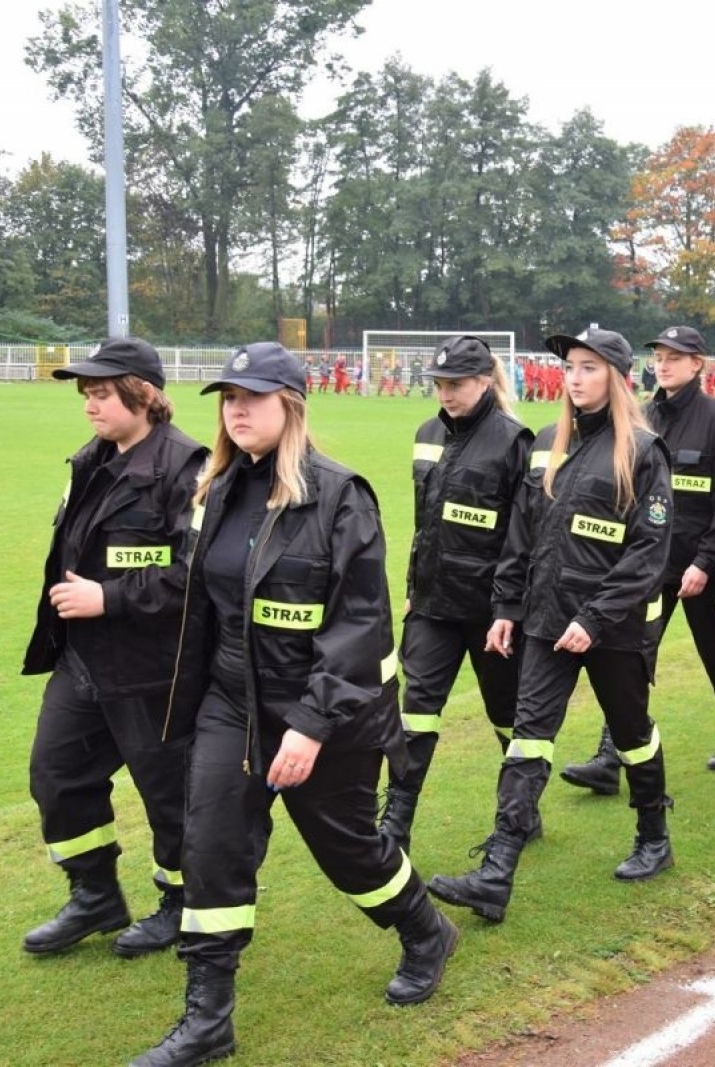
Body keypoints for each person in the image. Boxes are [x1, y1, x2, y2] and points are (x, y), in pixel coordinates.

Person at [131, 343, 457, 1067]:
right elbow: (196, 600)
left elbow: (360, 628)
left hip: (326, 714)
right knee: (210, 846)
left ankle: (425, 930)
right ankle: (207, 1018)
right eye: (228, 397)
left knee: (349, 850)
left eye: (253, 397)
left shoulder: (341, 497)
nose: (237, 410)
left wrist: (309, 726)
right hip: (232, 702)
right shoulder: (215, 490)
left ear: (291, 405)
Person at [429, 327, 675, 925]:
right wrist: (506, 608)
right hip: (545, 620)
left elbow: (649, 552)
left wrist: (595, 617)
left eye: (589, 367)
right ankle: (496, 874)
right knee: (529, 737)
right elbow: (521, 533)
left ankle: (654, 837)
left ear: (616, 377)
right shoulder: (547, 442)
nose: (575, 377)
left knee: (632, 734)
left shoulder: (644, 451)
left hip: (612, 628)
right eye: (570, 367)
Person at [21, 338, 207, 960]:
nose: (89, 406)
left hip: (154, 670)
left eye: (101, 393)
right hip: (83, 661)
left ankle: (181, 904)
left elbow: (197, 573)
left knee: (169, 796)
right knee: (57, 773)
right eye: (86, 395)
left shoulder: (189, 469)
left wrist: (110, 597)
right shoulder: (91, 461)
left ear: (143, 394)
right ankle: (94, 894)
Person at [557, 325, 715, 786]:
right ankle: (611, 758)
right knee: (632, 656)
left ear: (697, 364)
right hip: (649, 567)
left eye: (674, 357)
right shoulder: (641, 416)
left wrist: (705, 563)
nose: (663, 365)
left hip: (700, 562)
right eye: (659, 357)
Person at [378, 336, 534, 856]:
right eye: (440, 384)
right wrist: (412, 588)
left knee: (507, 713)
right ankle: (396, 823)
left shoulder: (514, 441)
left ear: (485, 382)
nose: (445, 393)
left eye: (456, 384)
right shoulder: (426, 434)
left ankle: (522, 811)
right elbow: (424, 524)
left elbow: (522, 536)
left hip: (490, 611)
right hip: (432, 606)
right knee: (415, 711)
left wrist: (508, 607)